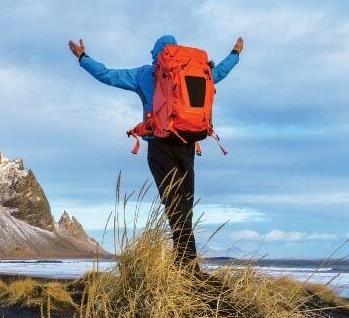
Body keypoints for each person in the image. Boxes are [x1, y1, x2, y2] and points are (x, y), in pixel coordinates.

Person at [70, 34, 243, 264]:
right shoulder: (196, 70)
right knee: (185, 200)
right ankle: (185, 257)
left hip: (160, 144)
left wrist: (83, 57)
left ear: (156, 54)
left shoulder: (145, 73)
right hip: (187, 143)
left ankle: (185, 260)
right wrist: (235, 54)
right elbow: (220, 71)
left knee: (173, 200)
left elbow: (107, 75)